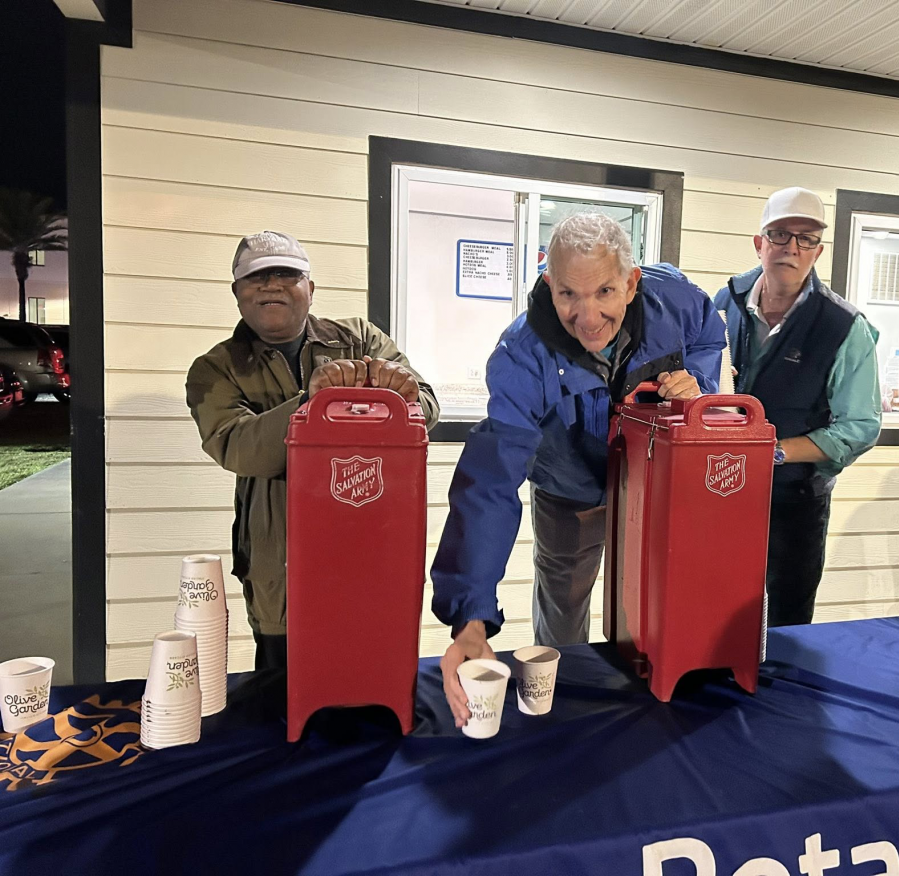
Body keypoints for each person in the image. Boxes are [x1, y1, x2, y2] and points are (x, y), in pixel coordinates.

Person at [431, 212, 725, 727]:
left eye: (605, 292)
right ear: (550, 284)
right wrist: (470, 618)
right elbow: (491, 481)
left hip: (653, 484)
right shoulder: (522, 354)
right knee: (563, 607)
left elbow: (708, 335)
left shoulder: (675, 301)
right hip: (567, 491)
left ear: (631, 283)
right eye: (569, 294)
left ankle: (655, 712)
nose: (588, 317)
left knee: (657, 601)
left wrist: (697, 383)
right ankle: (563, 712)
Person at [186, 231, 439, 670]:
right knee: (287, 692)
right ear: (237, 292)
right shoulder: (215, 369)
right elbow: (237, 446)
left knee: (377, 680)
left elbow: (428, 408)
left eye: (286, 274)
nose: (272, 284)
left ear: (310, 287)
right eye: (257, 277)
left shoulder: (360, 339)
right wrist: (312, 403)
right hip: (281, 569)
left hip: (374, 552)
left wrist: (401, 391)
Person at [714, 187, 881, 627]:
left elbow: (859, 427)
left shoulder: (844, 327)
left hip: (795, 502)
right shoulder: (724, 302)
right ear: (759, 243)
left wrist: (774, 452)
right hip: (718, 493)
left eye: (806, 239)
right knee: (715, 608)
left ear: (818, 252)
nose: (792, 247)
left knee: (786, 624)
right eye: (780, 234)